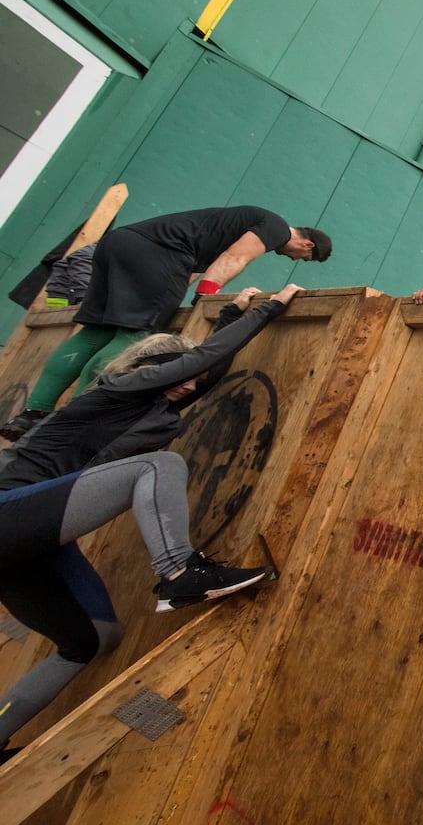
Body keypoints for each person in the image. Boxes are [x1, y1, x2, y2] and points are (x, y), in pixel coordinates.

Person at [0, 284, 302, 760]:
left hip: (28, 544)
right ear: (148, 369)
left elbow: (206, 365)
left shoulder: (153, 407)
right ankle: (182, 572)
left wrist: (229, 314)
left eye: (192, 382)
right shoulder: (117, 389)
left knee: (93, 638)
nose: (189, 386)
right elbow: (203, 358)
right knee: (158, 465)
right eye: (180, 375)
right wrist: (273, 304)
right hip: (6, 511)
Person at [1, 207, 331, 441]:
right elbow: (234, 259)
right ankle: (73, 417)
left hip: (120, 244)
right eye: (303, 258)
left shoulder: (228, 222)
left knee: (97, 330)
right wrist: (205, 298)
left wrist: (176, 293)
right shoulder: (274, 227)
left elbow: (192, 268)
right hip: (157, 254)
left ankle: (35, 413)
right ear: (307, 245)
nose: (294, 260)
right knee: (135, 335)